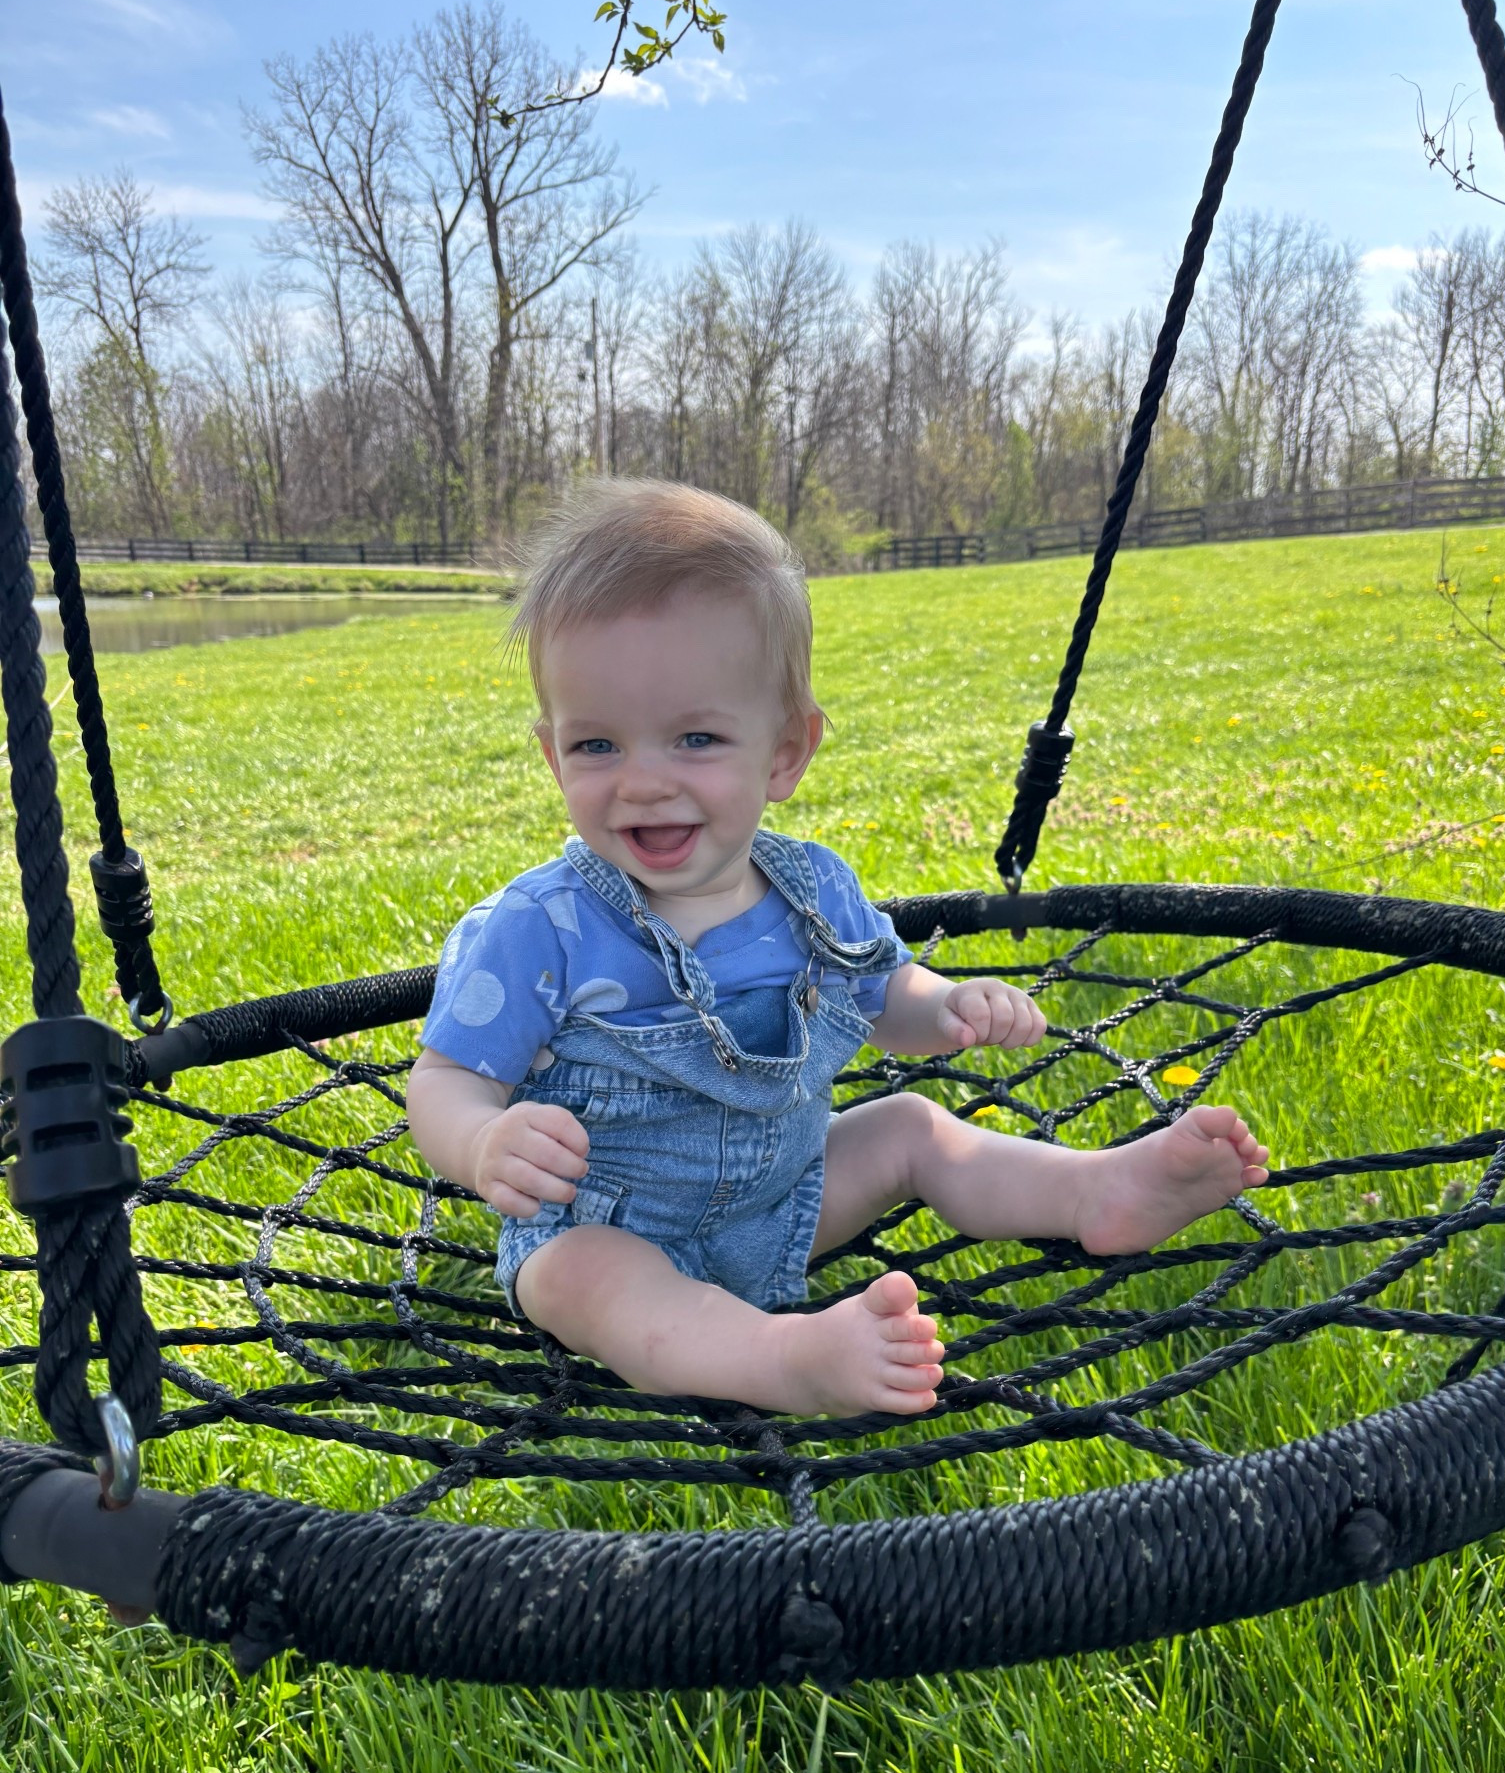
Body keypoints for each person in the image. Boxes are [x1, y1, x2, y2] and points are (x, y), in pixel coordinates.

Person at [407, 482, 1268, 1417]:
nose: (644, 782)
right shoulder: (540, 926)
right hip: (605, 1230)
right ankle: (784, 1357)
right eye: (598, 746)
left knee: (912, 1127)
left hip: (784, 1204)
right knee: (589, 1280)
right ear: (552, 756)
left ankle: (1094, 1192)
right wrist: (482, 1140)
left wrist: (945, 1006)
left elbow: (885, 994)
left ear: (785, 753)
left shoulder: (813, 891)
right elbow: (445, 1080)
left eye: (695, 738)